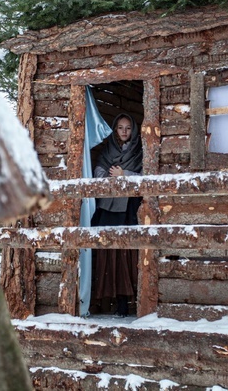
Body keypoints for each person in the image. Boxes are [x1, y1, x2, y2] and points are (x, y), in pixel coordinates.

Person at [91, 113, 143, 317]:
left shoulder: (139, 151)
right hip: (108, 209)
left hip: (128, 209)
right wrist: (108, 180)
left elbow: (146, 175)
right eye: (120, 127)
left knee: (126, 255)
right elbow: (99, 171)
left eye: (128, 128)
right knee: (108, 255)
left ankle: (126, 301)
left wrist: (125, 176)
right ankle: (108, 300)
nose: (124, 132)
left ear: (134, 130)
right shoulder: (107, 151)